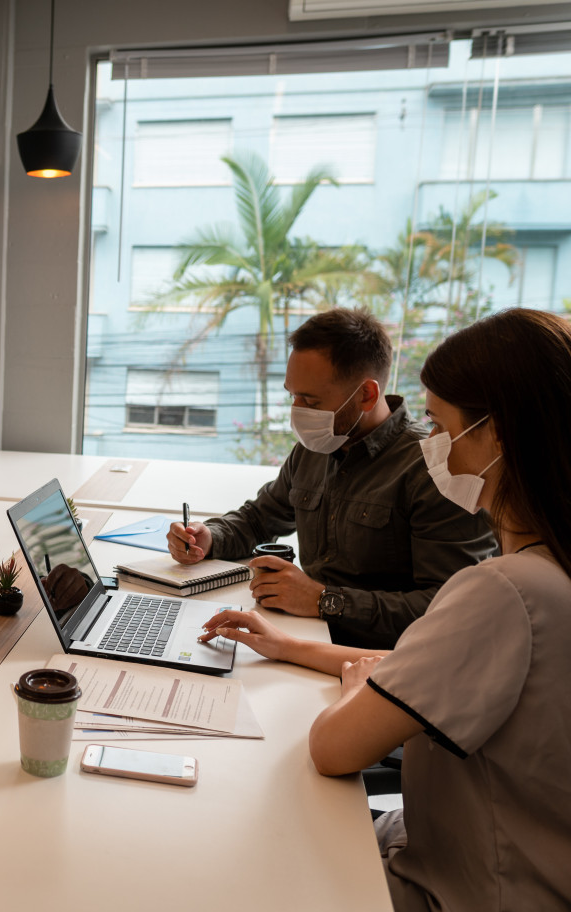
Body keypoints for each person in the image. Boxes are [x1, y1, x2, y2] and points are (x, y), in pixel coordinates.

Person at [199, 308, 571, 911]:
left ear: (498, 435)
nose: (437, 448)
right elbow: (438, 663)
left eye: (442, 425)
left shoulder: (506, 590)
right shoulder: (548, 569)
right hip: (455, 842)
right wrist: (291, 644)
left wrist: (355, 680)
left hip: (462, 886)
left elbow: (332, 748)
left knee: (238, 846)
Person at [167, 307, 495, 648]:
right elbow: (258, 518)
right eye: (292, 395)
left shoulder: (434, 469)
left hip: (379, 656)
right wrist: (209, 537)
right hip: (307, 634)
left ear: (367, 394)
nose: (297, 412)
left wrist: (324, 600)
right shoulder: (316, 447)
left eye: (310, 400)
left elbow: (446, 609)